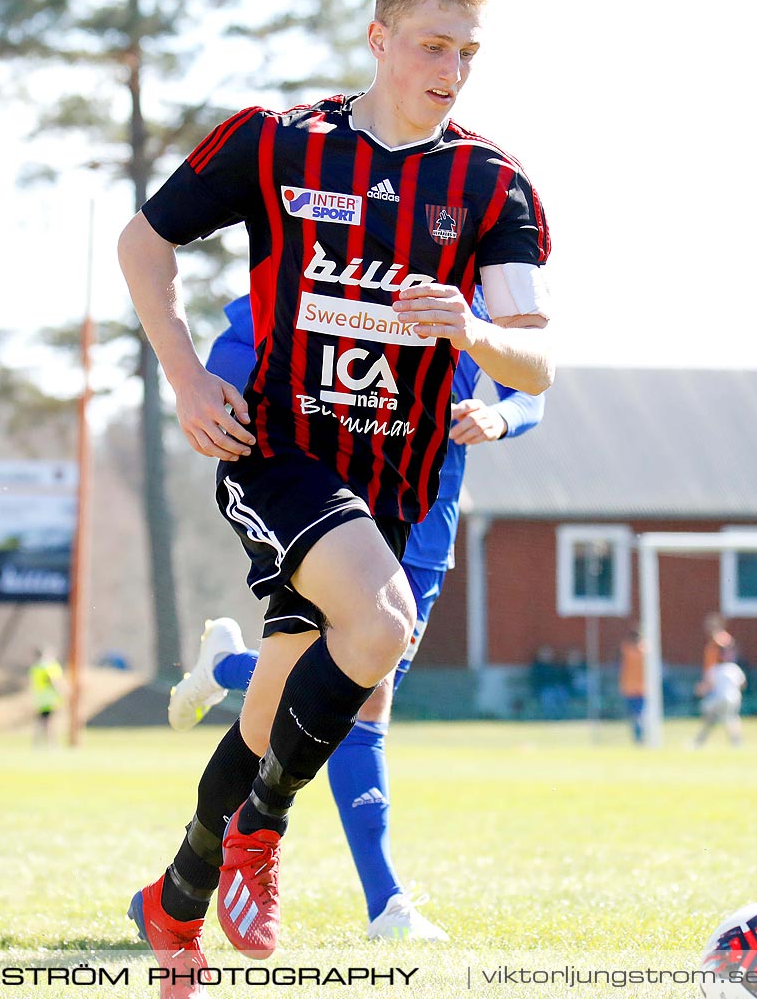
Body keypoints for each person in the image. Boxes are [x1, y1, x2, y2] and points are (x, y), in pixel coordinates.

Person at [115, 0, 552, 995]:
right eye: (432, 46)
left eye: (468, 53)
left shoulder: (492, 185)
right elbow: (144, 244)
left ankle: (177, 893)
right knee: (385, 627)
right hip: (275, 449)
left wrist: (478, 333)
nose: (452, 70)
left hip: (396, 484)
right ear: (380, 38)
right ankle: (261, 833)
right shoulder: (277, 142)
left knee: (276, 710)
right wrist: (183, 378)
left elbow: (537, 363)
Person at [166, 292, 543, 940]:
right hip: (337, 513)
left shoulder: (478, 291)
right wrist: (219, 393)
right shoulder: (338, 254)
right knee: (366, 696)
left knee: (356, 680)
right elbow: (246, 329)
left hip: (427, 523)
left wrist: (499, 416)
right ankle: (386, 903)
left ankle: (226, 668)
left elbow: (532, 387)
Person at [694, 643, 747, 747]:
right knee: (728, 718)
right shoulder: (734, 668)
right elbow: (742, 684)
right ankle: (736, 743)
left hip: (720, 700)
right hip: (734, 699)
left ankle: (699, 742)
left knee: (712, 715)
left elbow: (707, 687)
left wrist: (698, 691)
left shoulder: (716, 669)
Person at [32, 646, 66, 747]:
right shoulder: (47, 667)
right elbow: (51, 681)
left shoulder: (36, 667)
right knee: (49, 722)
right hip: (49, 698)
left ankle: (38, 743)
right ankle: (51, 744)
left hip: (41, 697)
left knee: (41, 721)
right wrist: (59, 693)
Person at [619, 629, 647, 744]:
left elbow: (624, 646)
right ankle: (639, 736)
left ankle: (638, 736)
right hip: (640, 688)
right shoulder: (643, 651)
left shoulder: (628, 650)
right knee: (639, 714)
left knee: (635, 714)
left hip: (631, 688)